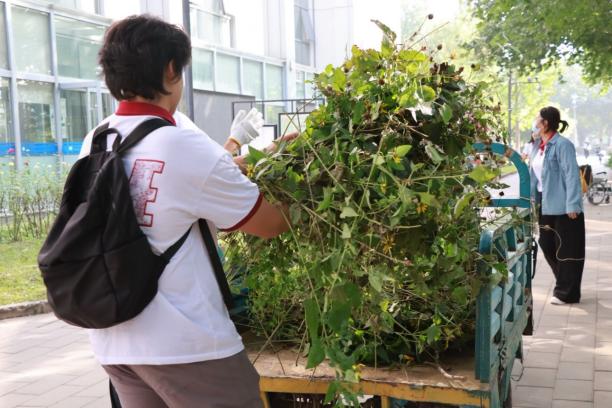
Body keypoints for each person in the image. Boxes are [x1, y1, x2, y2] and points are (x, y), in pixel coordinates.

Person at [82, 15, 290, 407]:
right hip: (186, 344)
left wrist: (264, 156)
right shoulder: (181, 144)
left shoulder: (98, 138)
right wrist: (304, 172)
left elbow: (188, 184)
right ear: (170, 69)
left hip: (116, 342)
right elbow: (273, 222)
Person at [529, 106, 585, 305]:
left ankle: (567, 293)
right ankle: (566, 283)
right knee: (546, 244)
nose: (535, 121)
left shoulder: (563, 144)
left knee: (568, 249)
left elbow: (571, 175)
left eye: (537, 118)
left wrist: (573, 204)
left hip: (564, 206)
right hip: (546, 204)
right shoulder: (539, 145)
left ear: (545, 123)